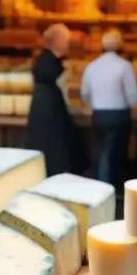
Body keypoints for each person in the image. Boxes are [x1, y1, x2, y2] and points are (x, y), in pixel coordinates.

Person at [80, 30, 137, 190]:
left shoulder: (92, 66)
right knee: (116, 154)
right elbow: (133, 96)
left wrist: (94, 104)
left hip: (99, 114)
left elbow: (84, 93)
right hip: (119, 115)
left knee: (101, 151)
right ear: (120, 47)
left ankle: (100, 185)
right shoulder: (125, 66)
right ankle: (110, 187)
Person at [25, 24, 86, 176]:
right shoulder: (48, 61)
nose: (67, 44)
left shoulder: (48, 59)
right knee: (54, 150)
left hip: (47, 109)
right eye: (65, 40)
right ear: (57, 41)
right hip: (49, 111)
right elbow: (60, 84)